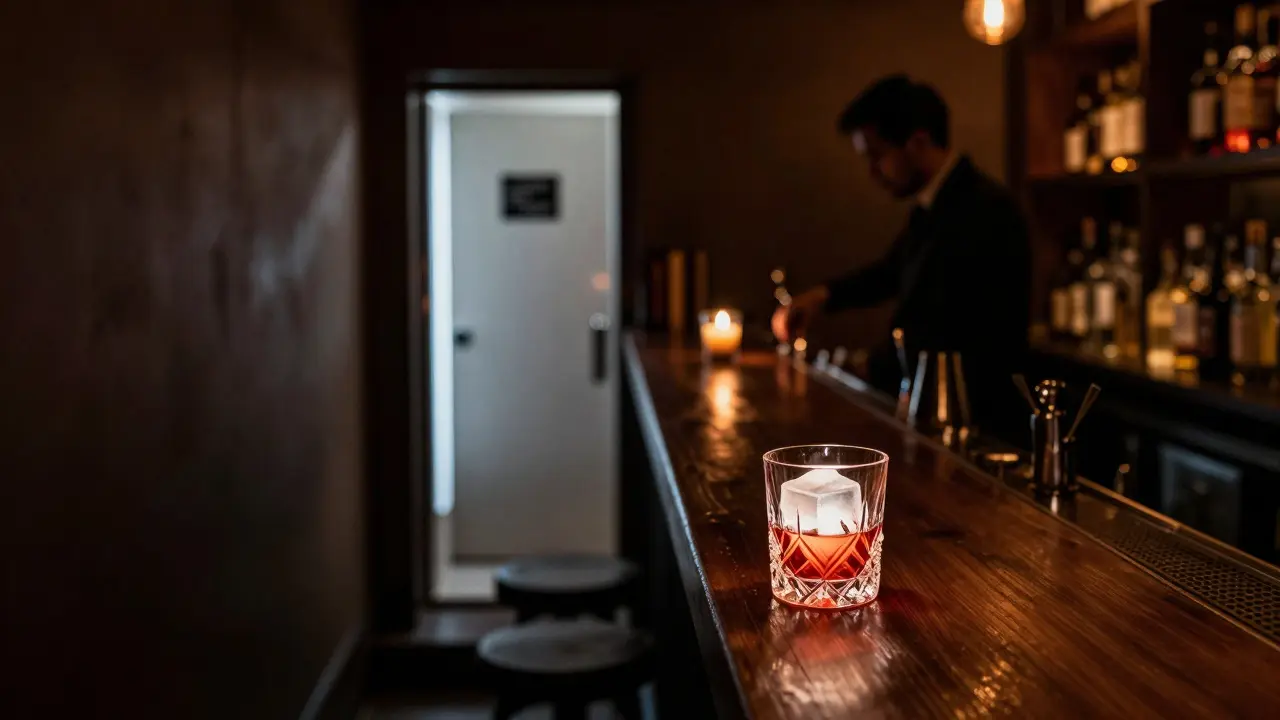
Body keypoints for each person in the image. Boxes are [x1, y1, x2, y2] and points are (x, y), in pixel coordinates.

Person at [773, 75, 1031, 433]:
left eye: (877, 156)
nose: (872, 172)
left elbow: (941, 320)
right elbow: (891, 271)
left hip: (974, 420)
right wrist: (822, 296)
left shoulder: (983, 209)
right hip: (942, 409)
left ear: (918, 142)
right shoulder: (936, 202)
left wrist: (865, 367)